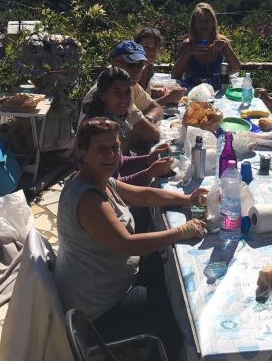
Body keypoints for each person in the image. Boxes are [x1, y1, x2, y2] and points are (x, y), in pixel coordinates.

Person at [55, 117, 207, 357]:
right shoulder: (89, 199)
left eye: (114, 147)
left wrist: (187, 200)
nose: (111, 154)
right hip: (101, 308)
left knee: (171, 271)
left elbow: (144, 195)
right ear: (82, 154)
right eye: (101, 148)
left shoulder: (100, 180)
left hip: (115, 278)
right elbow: (127, 245)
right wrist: (180, 231)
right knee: (177, 317)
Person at [82, 67, 173, 185]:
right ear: (102, 95)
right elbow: (114, 187)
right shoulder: (99, 131)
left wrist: (149, 159)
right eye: (117, 92)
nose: (124, 98)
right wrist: (150, 173)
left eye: (127, 92)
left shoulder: (111, 118)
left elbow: (119, 162)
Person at [83, 40, 163, 153]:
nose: (136, 71)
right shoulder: (111, 90)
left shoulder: (129, 85)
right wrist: (140, 129)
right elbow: (152, 134)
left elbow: (157, 108)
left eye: (140, 65)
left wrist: (148, 119)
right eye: (130, 64)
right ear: (115, 64)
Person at [171, 2, 241, 88]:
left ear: (213, 22)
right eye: (200, 21)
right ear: (194, 24)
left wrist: (226, 47)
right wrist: (188, 53)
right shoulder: (187, 45)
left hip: (219, 92)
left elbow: (237, 68)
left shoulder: (223, 42)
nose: (204, 24)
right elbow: (175, 75)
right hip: (194, 93)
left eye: (207, 20)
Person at [134, 26, 185, 106]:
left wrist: (155, 91)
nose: (151, 52)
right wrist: (168, 98)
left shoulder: (149, 67)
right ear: (136, 47)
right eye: (146, 47)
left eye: (154, 47)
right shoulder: (133, 71)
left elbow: (142, 93)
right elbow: (140, 107)